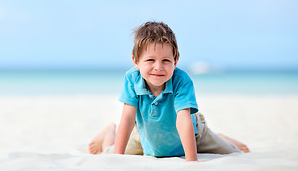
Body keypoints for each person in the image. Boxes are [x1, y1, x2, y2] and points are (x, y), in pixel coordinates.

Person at [88, 21, 249, 161]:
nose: (158, 67)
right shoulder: (132, 79)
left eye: (166, 60)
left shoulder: (181, 80)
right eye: (150, 60)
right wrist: (118, 159)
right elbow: (128, 118)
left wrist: (191, 161)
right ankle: (109, 131)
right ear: (136, 61)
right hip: (146, 136)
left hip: (194, 136)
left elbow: (183, 119)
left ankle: (221, 137)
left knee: (234, 152)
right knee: (110, 151)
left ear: (175, 61)